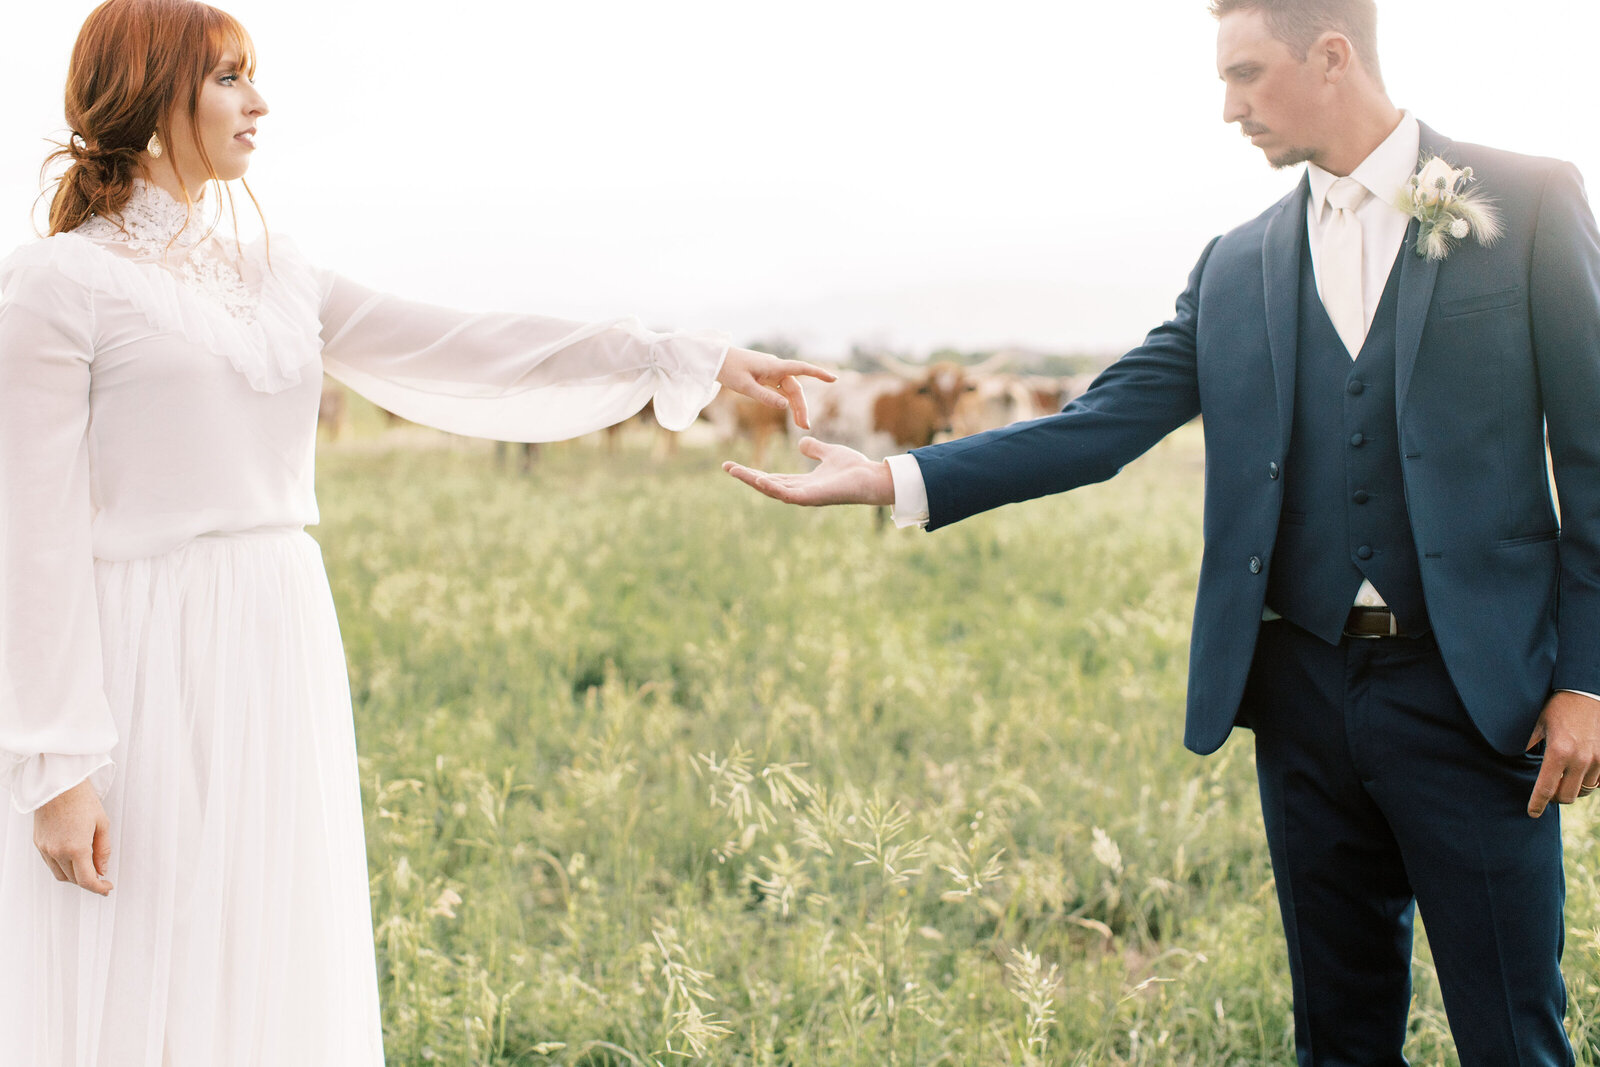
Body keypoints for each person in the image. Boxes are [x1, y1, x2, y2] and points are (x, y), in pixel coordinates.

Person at [725, 1, 1600, 1062]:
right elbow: (1099, 427)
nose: (1227, 109)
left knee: (1514, 1035)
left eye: (1245, 74)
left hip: (1478, 698)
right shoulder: (1235, 263)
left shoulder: (1529, 199)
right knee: (1337, 1032)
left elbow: (1594, 460)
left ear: (1331, 56)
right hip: (1302, 696)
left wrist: (1586, 680)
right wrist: (897, 475)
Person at [0, 0, 834, 1063]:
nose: (259, 102)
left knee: (260, 934)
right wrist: (57, 764)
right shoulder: (58, 282)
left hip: (274, 635)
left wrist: (683, 354)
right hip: (139, 658)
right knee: (137, 939)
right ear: (149, 95)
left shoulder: (277, 272)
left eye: (252, 76)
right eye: (226, 78)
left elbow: (465, 344)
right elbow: (27, 539)